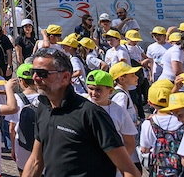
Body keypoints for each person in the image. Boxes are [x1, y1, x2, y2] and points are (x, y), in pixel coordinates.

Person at [21, 48, 140, 177]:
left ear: (65, 77)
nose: (35, 78)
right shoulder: (43, 109)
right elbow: (35, 161)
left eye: (42, 73)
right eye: (34, 72)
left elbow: (129, 171)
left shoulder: (91, 114)